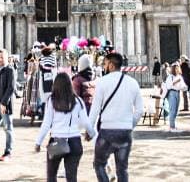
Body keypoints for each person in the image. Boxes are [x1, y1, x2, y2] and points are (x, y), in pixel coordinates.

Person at [88, 52, 144, 182]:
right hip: (125, 132)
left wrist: (90, 129)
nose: (104, 67)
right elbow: (139, 110)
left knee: (99, 164)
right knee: (122, 169)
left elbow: (95, 109)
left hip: (107, 132)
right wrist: (130, 124)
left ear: (112, 65)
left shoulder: (102, 82)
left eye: (105, 64)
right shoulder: (133, 83)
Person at [35, 73, 95, 182]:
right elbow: (86, 122)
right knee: (72, 177)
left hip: (56, 141)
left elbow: (46, 124)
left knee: (51, 175)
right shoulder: (78, 101)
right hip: (75, 142)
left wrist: (38, 142)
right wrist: (91, 134)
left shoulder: (51, 101)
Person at [161, 64, 187, 132]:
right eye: (175, 68)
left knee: (176, 110)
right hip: (171, 93)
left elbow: (183, 85)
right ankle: (172, 126)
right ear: (173, 69)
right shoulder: (170, 77)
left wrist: (183, 87)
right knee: (172, 110)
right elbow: (169, 86)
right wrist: (175, 82)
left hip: (178, 93)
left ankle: (173, 125)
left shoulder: (180, 77)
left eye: (178, 68)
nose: (177, 70)